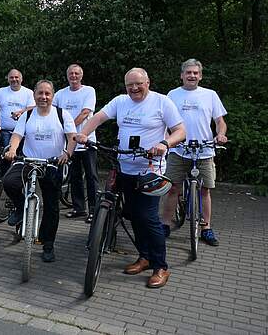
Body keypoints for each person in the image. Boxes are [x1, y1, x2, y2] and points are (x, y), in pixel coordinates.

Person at [75, 68, 185, 289]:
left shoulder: (162, 103)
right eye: (129, 85)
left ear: (148, 82)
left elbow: (180, 131)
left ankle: (160, 266)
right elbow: (97, 117)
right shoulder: (120, 101)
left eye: (138, 84)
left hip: (150, 169)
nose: (134, 88)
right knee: (134, 215)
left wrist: (164, 144)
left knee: (148, 217)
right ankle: (144, 257)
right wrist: (83, 133)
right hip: (125, 167)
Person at [3, 80, 77, 263]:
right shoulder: (27, 115)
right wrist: (12, 150)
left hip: (52, 163)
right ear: (34, 95)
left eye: (47, 94)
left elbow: (71, 137)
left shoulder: (62, 114)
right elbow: (17, 135)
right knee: (9, 182)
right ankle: (21, 208)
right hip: (28, 160)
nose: (43, 97)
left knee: (52, 206)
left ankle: (48, 244)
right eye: (40, 93)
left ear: (52, 96)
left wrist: (67, 153)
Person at [162, 59, 228, 246]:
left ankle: (206, 228)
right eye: (188, 72)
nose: (192, 76)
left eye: (195, 73)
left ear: (200, 75)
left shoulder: (210, 95)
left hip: (204, 150)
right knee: (172, 188)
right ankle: (165, 224)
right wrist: (167, 140)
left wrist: (220, 135)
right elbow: (165, 122)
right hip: (178, 149)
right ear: (182, 75)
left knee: (205, 190)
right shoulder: (172, 95)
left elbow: (220, 121)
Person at [53, 64, 99, 223]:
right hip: (69, 144)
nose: (73, 76)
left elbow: (85, 113)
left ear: (81, 75)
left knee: (91, 177)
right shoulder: (59, 94)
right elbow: (53, 113)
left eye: (76, 73)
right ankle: (79, 208)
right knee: (75, 177)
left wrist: (69, 128)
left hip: (87, 141)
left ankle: (94, 210)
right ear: (67, 76)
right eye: (71, 73)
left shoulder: (89, 91)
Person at [0, 69, 35, 149]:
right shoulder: (1, 91)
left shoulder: (28, 92)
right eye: (11, 77)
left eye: (16, 77)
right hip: (5, 133)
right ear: (8, 79)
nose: (14, 79)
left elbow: (32, 108)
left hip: (23, 134)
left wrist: (21, 112)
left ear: (21, 79)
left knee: (21, 158)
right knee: (5, 158)